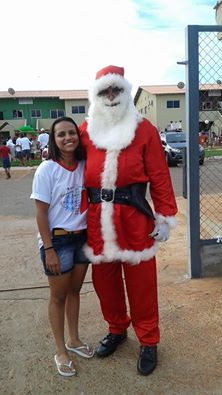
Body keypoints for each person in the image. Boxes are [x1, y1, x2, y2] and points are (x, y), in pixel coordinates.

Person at [79, 65, 177, 375]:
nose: (110, 96)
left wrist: (164, 217)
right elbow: (71, 173)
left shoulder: (143, 128)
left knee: (142, 284)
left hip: (133, 216)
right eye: (104, 91)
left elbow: (160, 175)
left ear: (125, 92)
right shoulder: (85, 130)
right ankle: (117, 330)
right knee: (105, 282)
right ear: (96, 95)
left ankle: (148, 341)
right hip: (97, 219)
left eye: (116, 90)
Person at [30, 116, 94, 377]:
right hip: (57, 241)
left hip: (82, 238)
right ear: (54, 140)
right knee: (57, 296)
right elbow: (41, 213)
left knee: (75, 292)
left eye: (72, 133)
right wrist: (49, 249)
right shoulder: (46, 169)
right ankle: (60, 350)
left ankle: (74, 340)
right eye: (61, 135)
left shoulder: (83, 165)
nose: (68, 138)